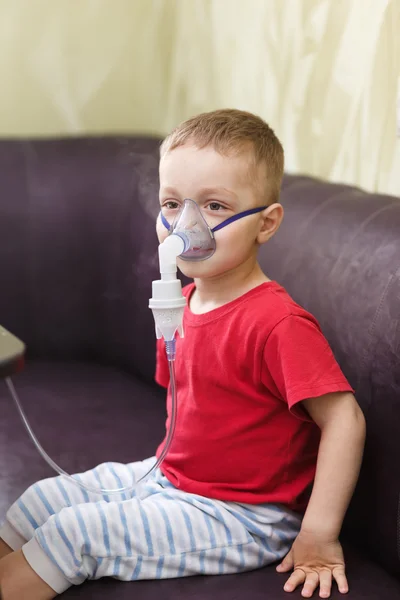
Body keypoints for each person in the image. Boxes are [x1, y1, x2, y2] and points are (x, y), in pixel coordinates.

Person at [0, 109, 366, 599]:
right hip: (172, 479)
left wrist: (319, 534)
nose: (185, 226)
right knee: (37, 501)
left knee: (74, 536)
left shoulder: (278, 323)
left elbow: (345, 419)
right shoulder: (182, 302)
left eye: (215, 206)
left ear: (266, 223)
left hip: (244, 513)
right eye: (172, 203)